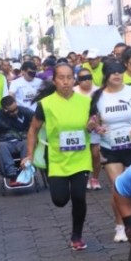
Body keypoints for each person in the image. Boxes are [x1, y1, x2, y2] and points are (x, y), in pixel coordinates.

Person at [23, 63, 93, 251]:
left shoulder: (86, 101)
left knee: (79, 196)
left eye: (69, 77)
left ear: (74, 79)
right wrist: (29, 155)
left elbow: (93, 122)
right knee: (60, 200)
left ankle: (76, 236)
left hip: (80, 158)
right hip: (57, 159)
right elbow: (33, 130)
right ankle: (64, 191)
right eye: (61, 78)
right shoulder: (45, 105)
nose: (66, 82)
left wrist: (95, 125)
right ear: (54, 80)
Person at [89, 59, 131, 243]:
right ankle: (122, 225)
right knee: (118, 186)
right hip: (110, 147)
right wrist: (97, 128)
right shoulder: (98, 96)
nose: (117, 75)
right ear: (106, 75)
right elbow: (92, 121)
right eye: (113, 72)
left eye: (120, 71)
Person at [0, 95, 34, 187]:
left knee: (27, 143)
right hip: (4, 141)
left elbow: (38, 121)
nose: (15, 112)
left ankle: (25, 170)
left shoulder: (25, 112)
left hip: (21, 139)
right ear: (4, 109)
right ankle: (11, 173)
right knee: (1, 146)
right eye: (12, 111)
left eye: (16, 109)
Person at [74, 68, 103, 190]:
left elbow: (103, 109)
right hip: (79, 128)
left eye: (88, 77)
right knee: (82, 154)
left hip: (95, 127)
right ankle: (83, 179)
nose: (86, 81)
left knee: (96, 154)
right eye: (82, 78)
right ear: (78, 80)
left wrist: (98, 124)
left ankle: (95, 178)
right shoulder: (73, 92)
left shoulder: (98, 91)